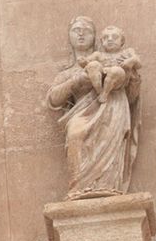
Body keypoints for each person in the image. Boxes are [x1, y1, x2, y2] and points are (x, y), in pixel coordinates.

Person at [44, 16, 140, 199]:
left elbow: (133, 96)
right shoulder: (68, 72)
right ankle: (80, 187)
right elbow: (53, 99)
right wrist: (77, 80)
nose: (81, 33)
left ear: (96, 37)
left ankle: (108, 185)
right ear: (70, 38)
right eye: (76, 30)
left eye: (86, 30)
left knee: (110, 140)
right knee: (75, 133)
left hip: (112, 109)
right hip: (82, 113)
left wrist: (131, 75)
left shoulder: (110, 61)